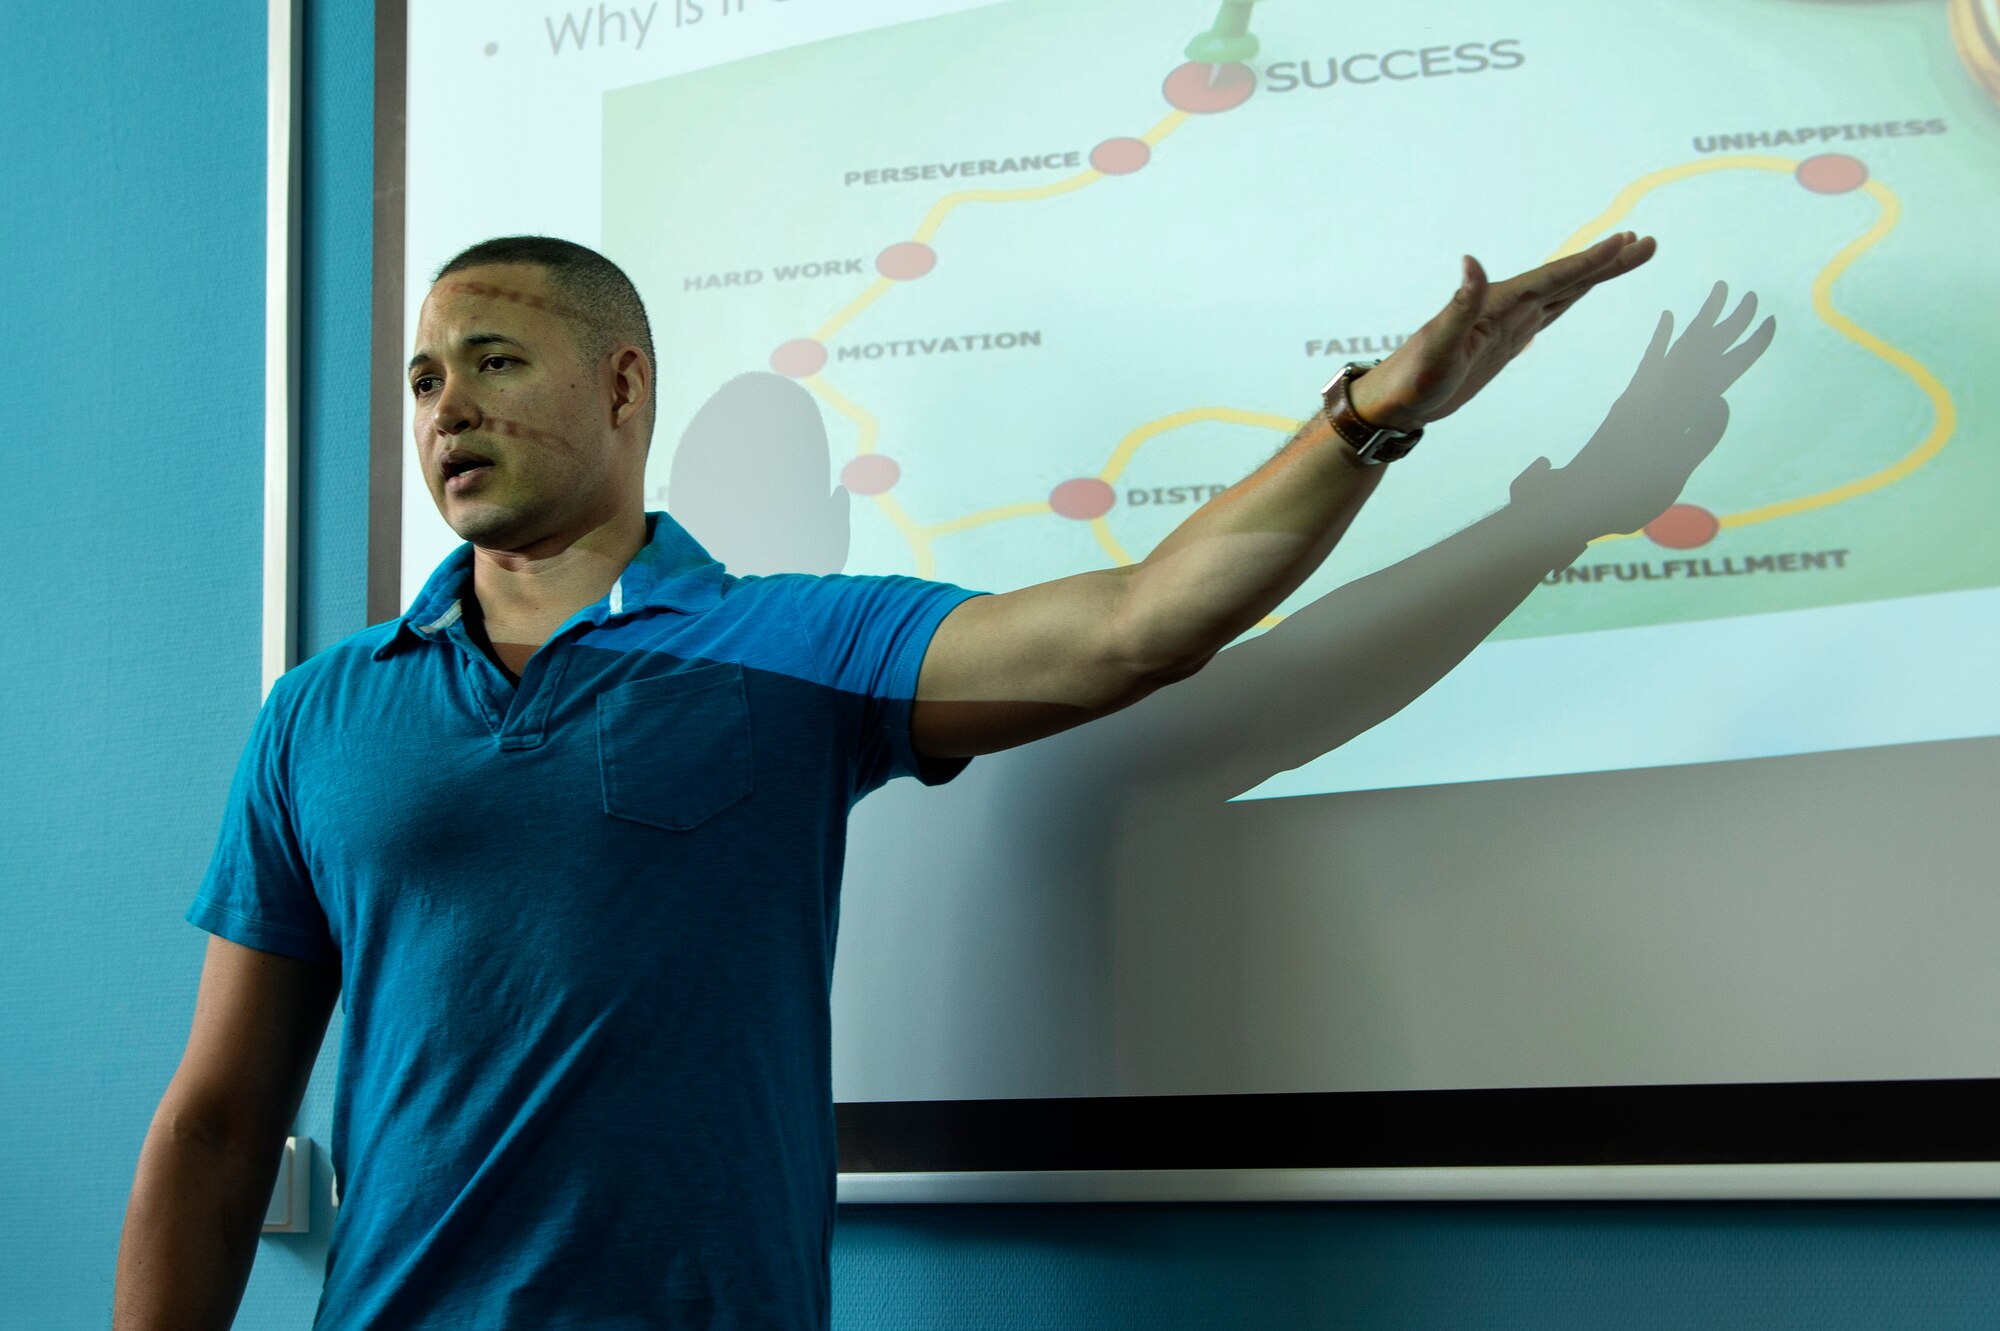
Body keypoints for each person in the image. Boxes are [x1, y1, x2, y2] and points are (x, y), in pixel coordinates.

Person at [117, 229, 1667, 1329]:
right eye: (424, 377)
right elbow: (215, 1124)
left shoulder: (786, 646)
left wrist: (1369, 418)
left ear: (622, 388)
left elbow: (1143, 623)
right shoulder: (321, 712)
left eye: (495, 361)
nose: (446, 404)